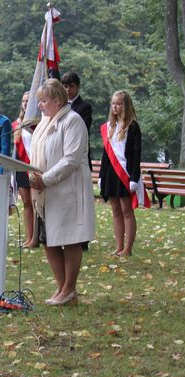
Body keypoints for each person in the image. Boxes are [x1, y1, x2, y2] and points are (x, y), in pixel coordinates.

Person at [29, 78, 95, 306]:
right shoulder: (45, 122)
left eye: (43, 101)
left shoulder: (73, 120)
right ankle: (62, 288)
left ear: (57, 100)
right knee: (49, 240)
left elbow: (71, 159)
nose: (40, 106)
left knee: (69, 239)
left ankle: (69, 288)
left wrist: (44, 179)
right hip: (47, 192)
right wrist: (33, 176)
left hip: (68, 190)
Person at [99, 90, 148, 257]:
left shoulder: (132, 126)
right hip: (111, 173)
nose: (115, 106)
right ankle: (119, 246)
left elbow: (136, 154)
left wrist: (134, 178)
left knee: (127, 210)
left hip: (125, 174)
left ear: (126, 105)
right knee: (115, 210)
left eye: (118, 103)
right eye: (113, 103)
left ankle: (128, 248)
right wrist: (101, 176)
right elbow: (106, 154)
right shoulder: (109, 127)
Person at [12, 91, 35, 247]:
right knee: (26, 202)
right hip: (21, 166)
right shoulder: (16, 124)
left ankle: (36, 238)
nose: (25, 103)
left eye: (28, 100)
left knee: (35, 203)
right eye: (23, 100)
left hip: (34, 166)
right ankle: (28, 237)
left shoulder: (38, 122)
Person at [61, 72, 93, 168]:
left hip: (78, 153)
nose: (68, 90)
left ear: (78, 87)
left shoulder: (85, 107)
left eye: (71, 86)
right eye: (65, 86)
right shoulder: (59, 106)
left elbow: (81, 130)